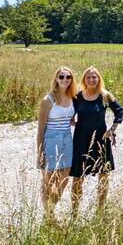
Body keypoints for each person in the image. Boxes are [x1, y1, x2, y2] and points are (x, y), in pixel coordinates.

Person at [70, 66, 123, 213]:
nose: (92, 79)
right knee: (77, 177)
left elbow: (119, 111)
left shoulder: (105, 95)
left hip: (101, 139)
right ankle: (74, 212)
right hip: (81, 139)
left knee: (104, 174)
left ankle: (100, 210)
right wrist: (71, 121)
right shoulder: (78, 96)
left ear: (98, 79)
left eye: (94, 77)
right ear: (84, 80)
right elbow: (69, 112)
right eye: (88, 77)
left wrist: (112, 130)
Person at [36, 66, 76, 220]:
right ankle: (49, 213)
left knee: (65, 176)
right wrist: (40, 152)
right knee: (49, 179)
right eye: (61, 77)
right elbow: (40, 129)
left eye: (68, 77)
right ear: (56, 79)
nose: (65, 80)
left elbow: (69, 118)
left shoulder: (73, 97)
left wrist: (76, 122)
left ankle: (51, 207)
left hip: (67, 138)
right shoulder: (48, 100)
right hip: (51, 139)